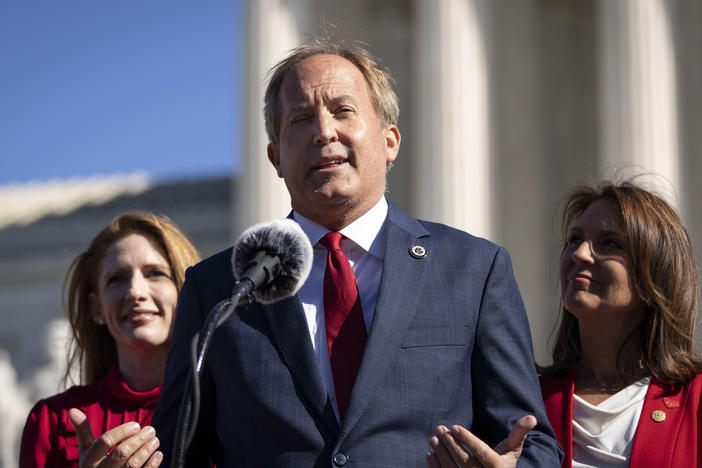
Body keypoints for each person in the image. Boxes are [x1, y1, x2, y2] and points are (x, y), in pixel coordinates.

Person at [152, 39, 562, 467]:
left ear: (390, 141)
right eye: (301, 118)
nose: (324, 131)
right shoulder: (217, 288)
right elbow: (178, 452)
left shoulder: (474, 270)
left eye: (343, 111)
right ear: (276, 157)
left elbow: (532, 443)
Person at [538, 180, 702, 467]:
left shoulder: (696, 399)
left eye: (610, 243)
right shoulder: (529, 398)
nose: (579, 254)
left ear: (654, 273)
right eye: (575, 239)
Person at [20, 212, 200, 468]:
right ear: (97, 308)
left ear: (184, 292)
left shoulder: (226, 410)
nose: (135, 292)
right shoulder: (52, 420)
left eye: (155, 273)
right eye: (117, 279)